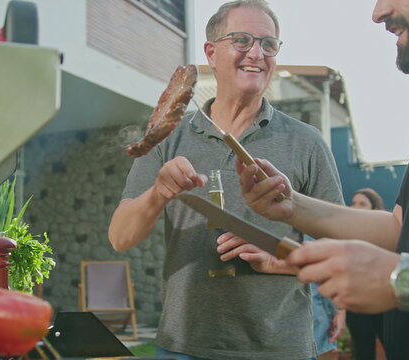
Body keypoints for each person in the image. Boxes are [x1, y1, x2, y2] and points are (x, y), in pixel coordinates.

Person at [232, 0, 409, 358]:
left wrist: (403, 279)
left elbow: (403, 264)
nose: (378, 12)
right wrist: (292, 206)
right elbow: (400, 229)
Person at [108, 1, 343, 359]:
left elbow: (341, 249)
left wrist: (281, 260)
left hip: (280, 348)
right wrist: (159, 191)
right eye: (242, 40)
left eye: (269, 44)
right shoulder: (169, 136)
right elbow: (120, 238)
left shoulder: (305, 141)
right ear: (211, 52)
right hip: (185, 346)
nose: (257, 53)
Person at [346, 189, 386, 360]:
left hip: (386, 304)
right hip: (357, 304)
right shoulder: (345, 236)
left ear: (374, 209)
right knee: (362, 353)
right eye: (354, 203)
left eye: (362, 203)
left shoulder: (386, 236)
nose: (356, 207)